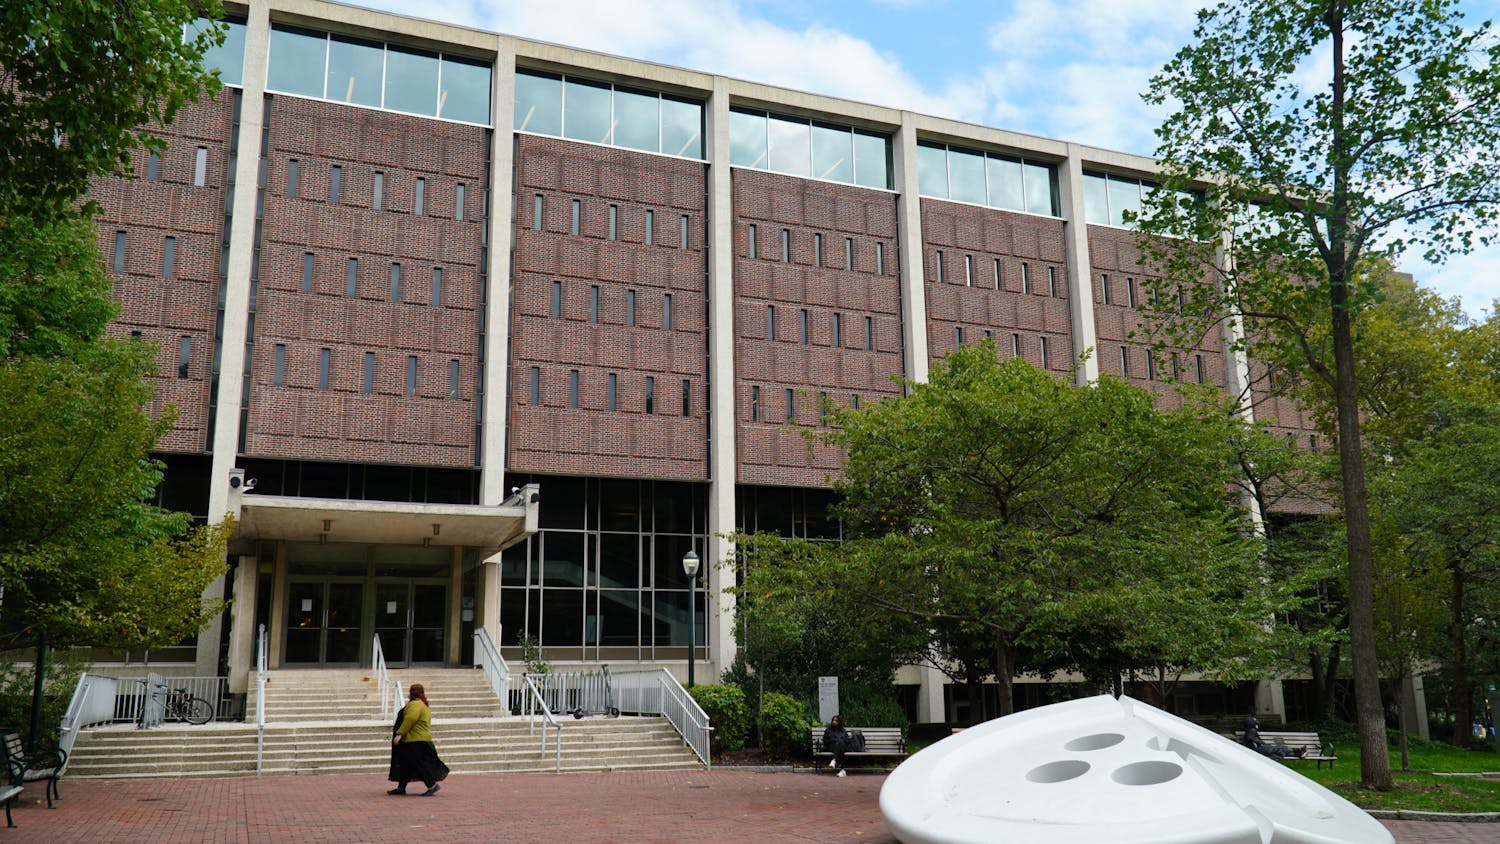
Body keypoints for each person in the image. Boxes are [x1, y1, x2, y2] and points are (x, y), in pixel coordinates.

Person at [388, 683, 449, 795]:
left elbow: (410, 719)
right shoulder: (423, 705)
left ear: (412, 693)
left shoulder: (415, 704)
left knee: (417, 763)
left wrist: (399, 734)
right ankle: (401, 787)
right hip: (421, 739)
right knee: (406, 763)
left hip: (415, 740)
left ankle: (432, 785)